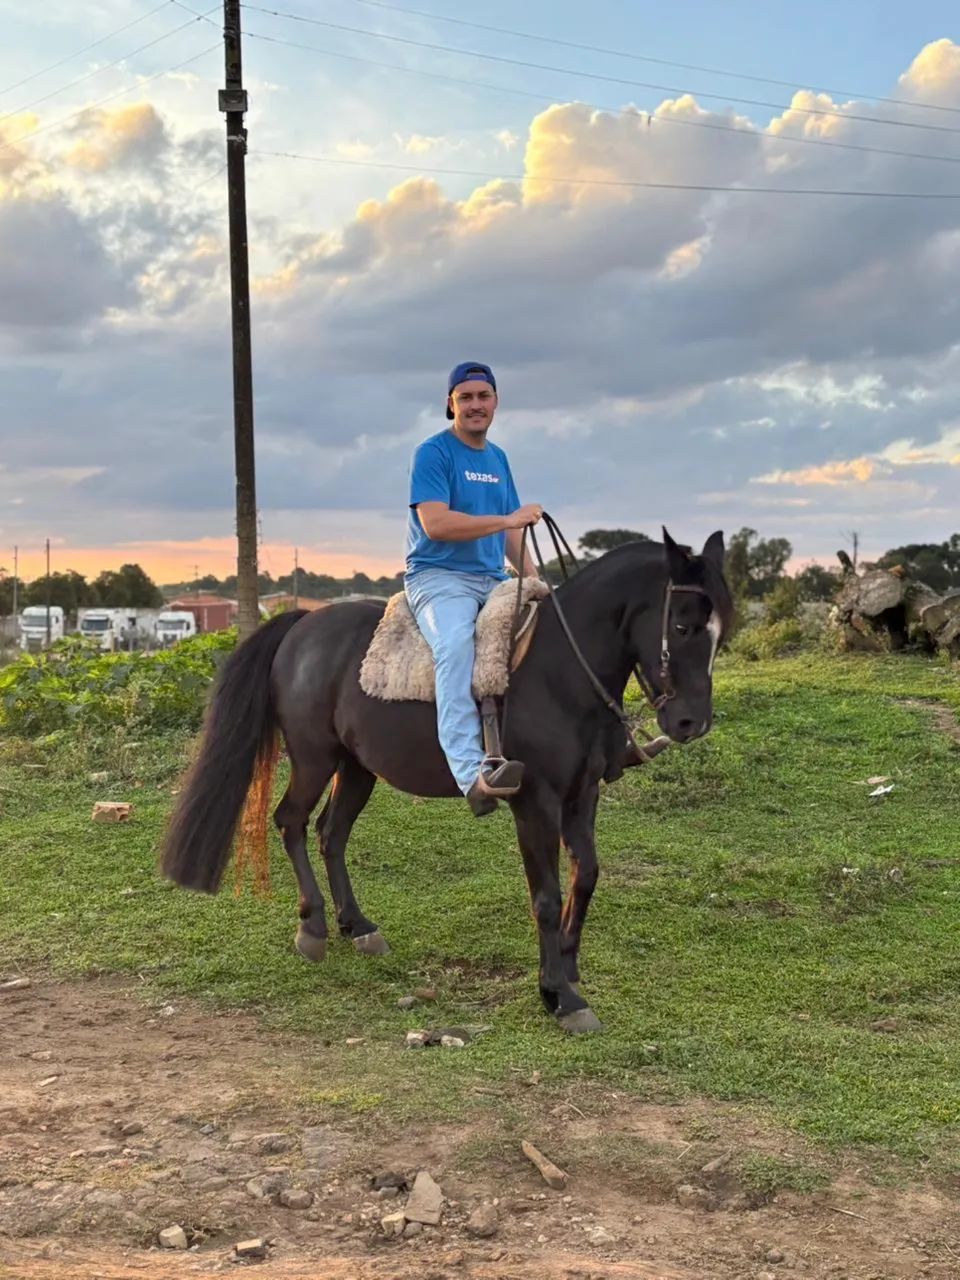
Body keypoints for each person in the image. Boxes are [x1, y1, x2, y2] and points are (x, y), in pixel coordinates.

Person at [404, 361, 543, 817]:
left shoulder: (498, 458)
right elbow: (437, 523)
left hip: (492, 579)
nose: (476, 405)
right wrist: (509, 518)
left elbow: (512, 536)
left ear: (496, 401)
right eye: (466, 398)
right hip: (438, 578)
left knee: (555, 633)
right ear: (451, 405)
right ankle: (471, 774)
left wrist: (537, 581)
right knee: (456, 645)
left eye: (484, 396)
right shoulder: (434, 453)